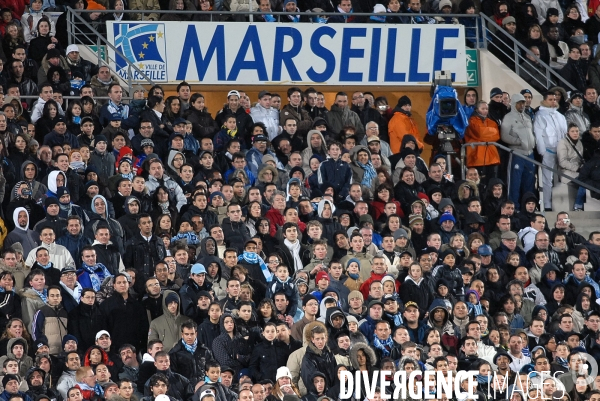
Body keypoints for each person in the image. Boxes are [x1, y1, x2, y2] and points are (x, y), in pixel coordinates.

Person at [534, 91, 568, 211]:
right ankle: (547, 205)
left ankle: (560, 204)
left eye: (555, 99)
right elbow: (538, 135)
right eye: (550, 99)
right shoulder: (540, 115)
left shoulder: (560, 116)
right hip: (548, 151)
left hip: (561, 152)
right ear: (544, 100)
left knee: (561, 179)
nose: (553, 102)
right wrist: (542, 152)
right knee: (547, 180)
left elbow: (565, 133)